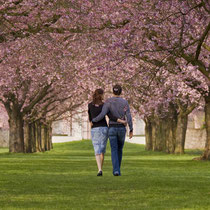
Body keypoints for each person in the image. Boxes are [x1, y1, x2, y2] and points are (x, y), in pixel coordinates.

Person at [92, 84, 133, 176]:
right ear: (121, 92)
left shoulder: (108, 102)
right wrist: (131, 129)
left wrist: (94, 120)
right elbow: (129, 116)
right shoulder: (124, 102)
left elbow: (102, 114)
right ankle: (117, 169)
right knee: (120, 149)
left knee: (114, 149)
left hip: (112, 128)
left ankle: (116, 170)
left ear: (113, 91)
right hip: (121, 128)